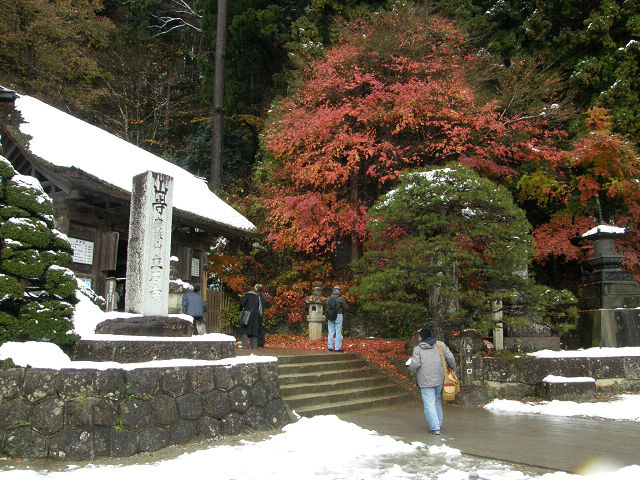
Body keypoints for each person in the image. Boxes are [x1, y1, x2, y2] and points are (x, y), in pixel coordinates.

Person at [409, 325, 456, 435]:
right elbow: (450, 358)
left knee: (429, 404)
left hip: (425, 381)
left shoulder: (418, 349)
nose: (418, 338)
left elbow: (415, 364)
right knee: (437, 401)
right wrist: (452, 369)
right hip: (439, 379)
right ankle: (438, 423)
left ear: (422, 337)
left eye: (419, 336)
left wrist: (410, 367)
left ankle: (435, 428)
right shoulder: (440, 345)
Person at [239, 283, 266, 349]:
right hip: (257, 316)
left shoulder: (249, 295)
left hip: (248, 314)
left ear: (255, 288)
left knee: (245, 329)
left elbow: (242, 303)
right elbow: (261, 308)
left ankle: (244, 345)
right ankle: (254, 346)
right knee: (254, 330)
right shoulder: (261, 297)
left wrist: (241, 309)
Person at [325, 286, 348, 352]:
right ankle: (337, 348)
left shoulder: (328, 298)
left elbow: (326, 306)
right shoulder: (341, 299)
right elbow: (346, 307)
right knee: (338, 331)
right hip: (338, 315)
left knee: (330, 331)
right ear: (339, 291)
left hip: (330, 315)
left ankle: (330, 347)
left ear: (333, 291)